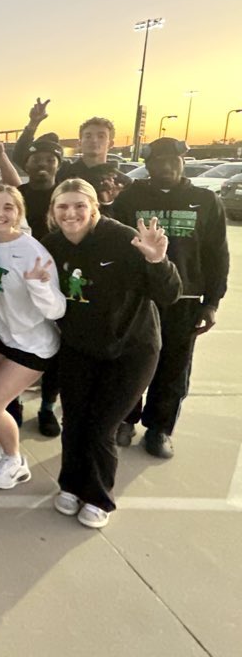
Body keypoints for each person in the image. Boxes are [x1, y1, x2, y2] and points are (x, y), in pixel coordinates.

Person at [43, 179, 181, 528]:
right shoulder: (52, 245)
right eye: (63, 206)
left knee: (102, 426)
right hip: (79, 347)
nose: (71, 213)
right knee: (74, 421)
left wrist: (158, 261)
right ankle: (71, 486)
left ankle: (98, 496)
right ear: (53, 211)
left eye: (79, 205)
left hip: (131, 349)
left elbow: (169, 295)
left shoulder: (123, 239)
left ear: (95, 207)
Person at [110, 138, 229, 458]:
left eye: (172, 162)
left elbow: (217, 255)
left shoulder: (204, 200)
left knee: (174, 367)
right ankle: (126, 419)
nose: (165, 167)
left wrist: (211, 302)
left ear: (182, 163)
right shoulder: (130, 197)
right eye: (158, 162)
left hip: (185, 299)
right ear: (147, 166)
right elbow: (116, 245)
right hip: (139, 299)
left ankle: (159, 429)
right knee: (130, 363)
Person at [0, 186, 65, 489]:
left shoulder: (33, 252)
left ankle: (15, 460)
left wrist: (38, 285)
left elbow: (57, 309)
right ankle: (1, 445)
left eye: (8, 207)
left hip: (33, 342)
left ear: (18, 213)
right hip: (2, 333)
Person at [15, 132, 65, 437]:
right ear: (28, 164)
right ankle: (15, 400)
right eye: (36, 160)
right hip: (21, 281)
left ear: (58, 164)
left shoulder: (65, 197)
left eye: (50, 160)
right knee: (18, 341)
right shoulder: (17, 194)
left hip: (58, 280)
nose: (43, 165)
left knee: (57, 347)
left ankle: (47, 406)